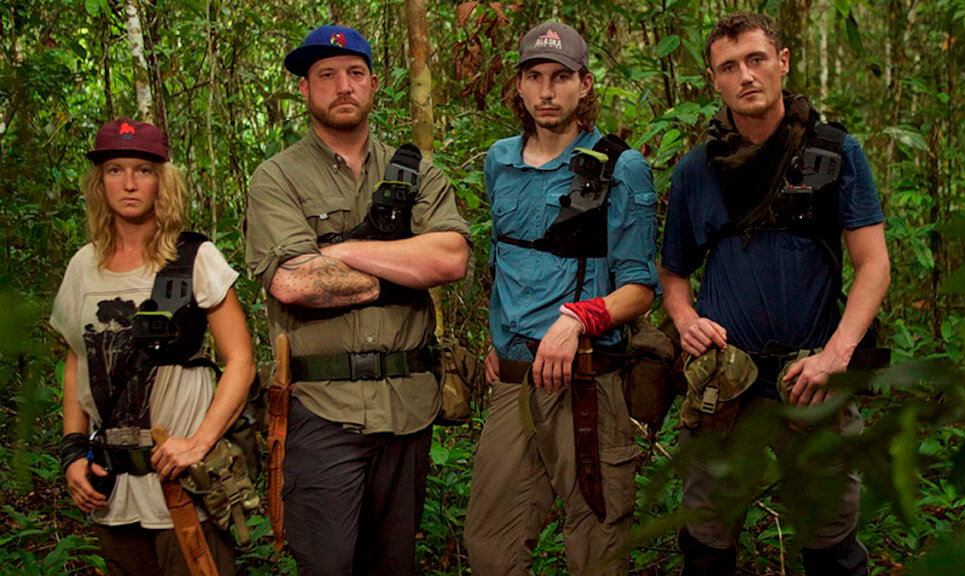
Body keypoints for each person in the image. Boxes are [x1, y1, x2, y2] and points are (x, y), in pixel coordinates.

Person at [659, 12, 891, 576]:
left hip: (809, 378)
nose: (746, 76)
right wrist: (685, 318)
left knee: (831, 542)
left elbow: (874, 264)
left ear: (782, 62)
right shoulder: (696, 169)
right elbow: (673, 275)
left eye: (757, 59)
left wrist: (835, 356)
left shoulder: (835, 154)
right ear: (714, 80)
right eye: (729, 66)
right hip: (724, 383)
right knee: (707, 542)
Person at [244, 25, 470, 576]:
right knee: (326, 566)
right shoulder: (277, 178)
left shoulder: (417, 172)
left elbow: (450, 260)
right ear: (305, 89)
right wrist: (402, 269)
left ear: (372, 84)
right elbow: (294, 284)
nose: (341, 86)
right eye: (325, 75)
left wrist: (339, 251)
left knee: (393, 566)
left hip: (408, 408)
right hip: (321, 412)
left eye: (353, 73)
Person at [464, 22, 659, 576]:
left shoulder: (621, 167)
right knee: (490, 542)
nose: (548, 91)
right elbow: (504, 261)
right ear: (520, 86)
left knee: (597, 539)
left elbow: (640, 290)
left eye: (561, 77)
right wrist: (496, 340)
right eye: (535, 77)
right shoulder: (499, 160)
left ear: (584, 84)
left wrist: (578, 319)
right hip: (515, 378)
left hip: (587, 381)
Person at [51, 118, 255, 575]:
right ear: (98, 182)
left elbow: (240, 360)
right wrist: (71, 454)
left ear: (163, 181)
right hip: (112, 484)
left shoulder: (194, 258)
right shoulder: (83, 267)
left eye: (143, 170)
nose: (128, 183)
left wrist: (199, 444)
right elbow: (75, 363)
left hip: (184, 486)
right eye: (114, 170)